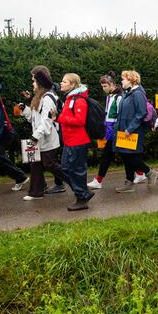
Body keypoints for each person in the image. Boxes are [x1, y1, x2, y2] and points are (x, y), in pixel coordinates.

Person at [19, 66, 66, 200]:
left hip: (47, 139)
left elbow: (47, 121)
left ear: (39, 82)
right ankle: (35, 192)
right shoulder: (38, 97)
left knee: (50, 165)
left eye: (33, 80)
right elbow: (34, 119)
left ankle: (77, 183)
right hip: (40, 138)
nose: (32, 83)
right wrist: (25, 110)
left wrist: (36, 136)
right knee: (36, 164)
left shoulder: (48, 97)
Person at [113, 70, 158, 194]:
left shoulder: (137, 94)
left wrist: (130, 128)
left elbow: (141, 113)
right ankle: (129, 182)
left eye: (123, 79)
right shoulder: (128, 93)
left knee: (129, 156)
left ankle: (149, 172)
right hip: (125, 130)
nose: (121, 81)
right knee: (126, 155)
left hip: (132, 131)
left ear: (131, 80)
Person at [55, 73, 95, 210]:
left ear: (72, 85)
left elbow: (79, 121)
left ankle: (82, 198)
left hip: (77, 141)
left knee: (77, 170)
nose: (61, 83)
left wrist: (58, 118)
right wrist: (56, 117)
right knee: (65, 169)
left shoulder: (79, 100)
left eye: (64, 81)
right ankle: (84, 192)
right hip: (69, 141)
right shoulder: (69, 98)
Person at [88, 72, 123, 190]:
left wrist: (115, 128)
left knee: (108, 155)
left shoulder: (119, 97)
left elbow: (120, 114)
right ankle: (141, 172)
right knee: (122, 154)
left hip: (115, 129)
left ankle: (98, 180)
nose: (103, 89)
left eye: (105, 86)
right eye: (102, 86)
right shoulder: (110, 96)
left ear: (112, 84)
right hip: (108, 128)